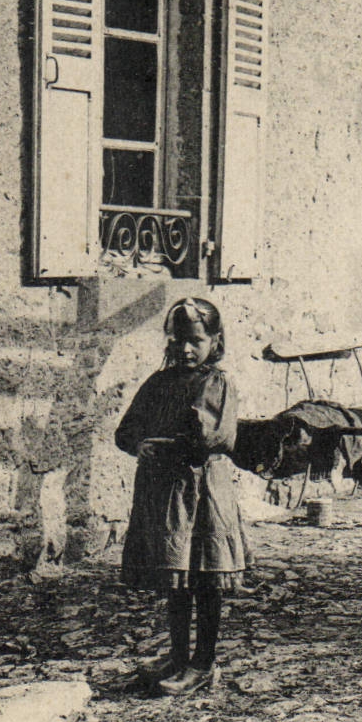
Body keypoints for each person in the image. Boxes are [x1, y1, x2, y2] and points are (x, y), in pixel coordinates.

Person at [116, 297, 250, 696]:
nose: (185, 350)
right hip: (166, 496)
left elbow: (212, 439)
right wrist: (142, 443)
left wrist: (165, 445)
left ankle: (204, 662)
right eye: (177, 341)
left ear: (215, 340)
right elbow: (125, 432)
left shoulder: (216, 383)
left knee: (205, 577)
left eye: (195, 340)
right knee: (176, 579)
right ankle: (178, 656)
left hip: (203, 492)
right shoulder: (158, 383)